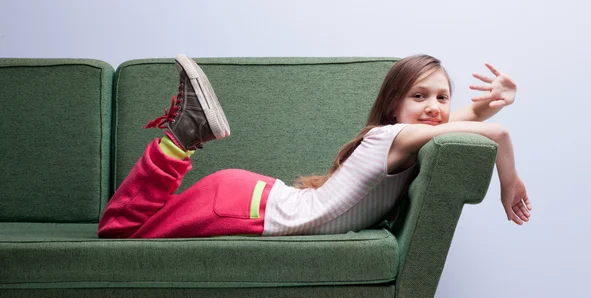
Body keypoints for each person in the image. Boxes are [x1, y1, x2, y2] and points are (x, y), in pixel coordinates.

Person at [98, 54, 531, 239]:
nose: (435, 107)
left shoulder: (401, 133)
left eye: (442, 97)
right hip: (243, 207)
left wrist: (496, 101)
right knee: (118, 231)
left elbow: (467, 120)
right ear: (394, 106)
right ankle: (182, 137)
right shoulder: (393, 137)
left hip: (250, 199)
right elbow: (497, 134)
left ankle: (185, 135)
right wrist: (508, 183)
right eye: (419, 96)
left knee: (132, 226)